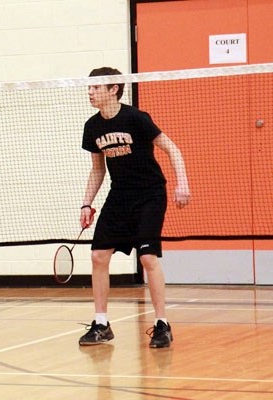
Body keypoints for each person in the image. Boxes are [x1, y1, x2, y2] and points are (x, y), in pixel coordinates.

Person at [78, 67, 190, 349]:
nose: (90, 92)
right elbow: (97, 170)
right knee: (98, 256)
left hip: (149, 195)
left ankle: (162, 324)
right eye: (89, 88)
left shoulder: (136, 118)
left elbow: (172, 149)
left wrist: (182, 184)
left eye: (96, 87)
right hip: (119, 197)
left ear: (114, 89)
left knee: (148, 258)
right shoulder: (92, 127)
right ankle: (101, 323)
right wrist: (87, 203)